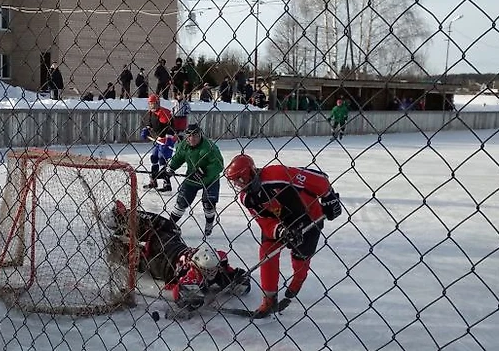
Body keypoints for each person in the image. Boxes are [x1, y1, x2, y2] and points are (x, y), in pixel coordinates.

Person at [223, 154, 342, 318]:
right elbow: (263, 221)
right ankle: (269, 299)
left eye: (239, 179)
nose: (237, 184)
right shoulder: (246, 198)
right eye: (234, 181)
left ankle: (297, 281)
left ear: (249, 172)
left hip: (309, 218)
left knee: (301, 257)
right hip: (281, 224)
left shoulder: (277, 175)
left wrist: (329, 197)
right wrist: (280, 230)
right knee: (266, 252)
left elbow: (316, 178)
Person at [105, 201, 251, 313]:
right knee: (169, 226)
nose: (212, 272)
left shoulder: (215, 264)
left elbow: (180, 292)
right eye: (208, 270)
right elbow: (183, 291)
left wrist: (239, 279)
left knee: (133, 256)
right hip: (171, 244)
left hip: (162, 265)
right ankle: (124, 217)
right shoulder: (195, 273)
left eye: (213, 269)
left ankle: (115, 246)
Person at [166, 123, 224, 237]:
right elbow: (178, 158)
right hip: (191, 177)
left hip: (210, 179)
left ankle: (209, 224)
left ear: (200, 135)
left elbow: (219, 165)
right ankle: (169, 225)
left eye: (195, 135)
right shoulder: (183, 145)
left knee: (208, 204)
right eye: (189, 136)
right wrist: (170, 168)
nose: (192, 138)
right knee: (181, 203)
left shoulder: (209, 148)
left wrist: (204, 172)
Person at [141, 94, 176, 191]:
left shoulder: (164, 113)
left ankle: (167, 184)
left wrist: (168, 140)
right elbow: (149, 125)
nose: (151, 105)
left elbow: (170, 128)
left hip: (166, 139)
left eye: (153, 103)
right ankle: (154, 181)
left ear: (157, 103)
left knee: (162, 159)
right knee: (154, 158)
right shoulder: (151, 113)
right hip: (158, 140)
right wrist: (146, 130)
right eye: (150, 103)